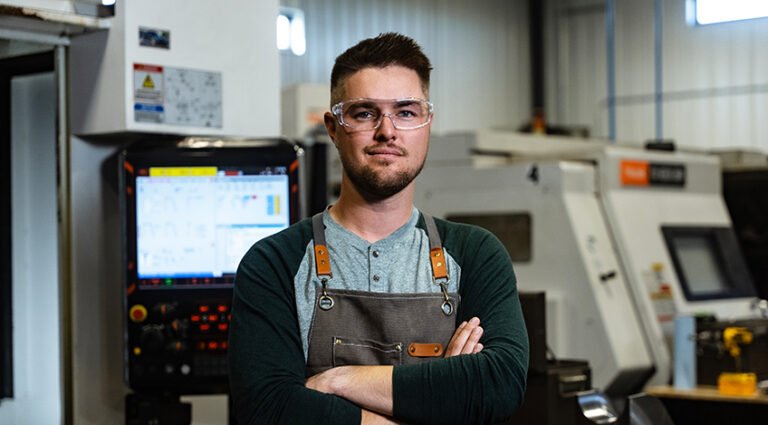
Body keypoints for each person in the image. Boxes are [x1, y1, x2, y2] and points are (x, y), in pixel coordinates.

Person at [229, 32, 528, 425]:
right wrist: (443, 398)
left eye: (406, 112)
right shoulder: (274, 263)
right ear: (334, 128)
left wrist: (338, 381)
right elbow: (268, 408)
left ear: (427, 125)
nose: (387, 130)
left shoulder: (475, 255)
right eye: (364, 112)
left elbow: (498, 384)